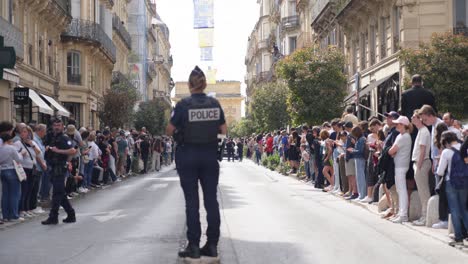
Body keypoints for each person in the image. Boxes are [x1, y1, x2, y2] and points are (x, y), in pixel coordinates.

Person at [167, 66, 227, 260]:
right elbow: (224, 130)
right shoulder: (214, 103)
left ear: (190, 85)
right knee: (211, 201)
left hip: (188, 156)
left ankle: (193, 245)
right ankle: (211, 245)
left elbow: (169, 130)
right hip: (209, 156)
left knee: (192, 202)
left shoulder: (183, 105)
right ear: (204, 84)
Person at [42, 118, 77, 225]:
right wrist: (47, 148)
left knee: (57, 193)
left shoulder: (64, 138)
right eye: (55, 125)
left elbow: (73, 150)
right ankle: (71, 214)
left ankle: (53, 217)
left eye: (59, 125)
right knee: (60, 193)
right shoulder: (50, 137)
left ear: (62, 127)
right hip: (51, 167)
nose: (56, 127)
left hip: (60, 168)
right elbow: (45, 146)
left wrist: (59, 151)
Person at [436, 131, 468, 246]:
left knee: (454, 210)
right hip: (465, 182)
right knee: (464, 208)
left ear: (445, 141)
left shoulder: (446, 152)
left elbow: (440, 171)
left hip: (451, 183)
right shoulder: (465, 148)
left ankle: (458, 237)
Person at [388, 116, 413, 223]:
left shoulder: (404, 137)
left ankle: (403, 214)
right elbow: (392, 151)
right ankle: (401, 213)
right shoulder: (402, 135)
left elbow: (391, 151)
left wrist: (393, 152)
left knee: (401, 190)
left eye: (398, 124)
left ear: (404, 125)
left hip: (401, 165)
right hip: (399, 164)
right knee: (400, 190)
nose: (396, 125)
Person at [410, 111, 432, 226]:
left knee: (424, 191)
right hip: (420, 163)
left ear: (419, 119)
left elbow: (423, 150)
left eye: (414, 116)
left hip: (422, 163)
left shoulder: (423, 131)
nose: (411, 118)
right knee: (422, 191)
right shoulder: (421, 131)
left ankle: (425, 217)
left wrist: (418, 165)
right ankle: (424, 216)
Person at [1, 122, 24, 223]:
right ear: (9, 139)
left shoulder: (1, 148)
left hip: (2, 169)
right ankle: (14, 215)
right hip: (11, 170)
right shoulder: (11, 148)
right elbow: (19, 159)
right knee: (15, 193)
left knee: (5, 194)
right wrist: (21, 153)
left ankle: (5, 215)